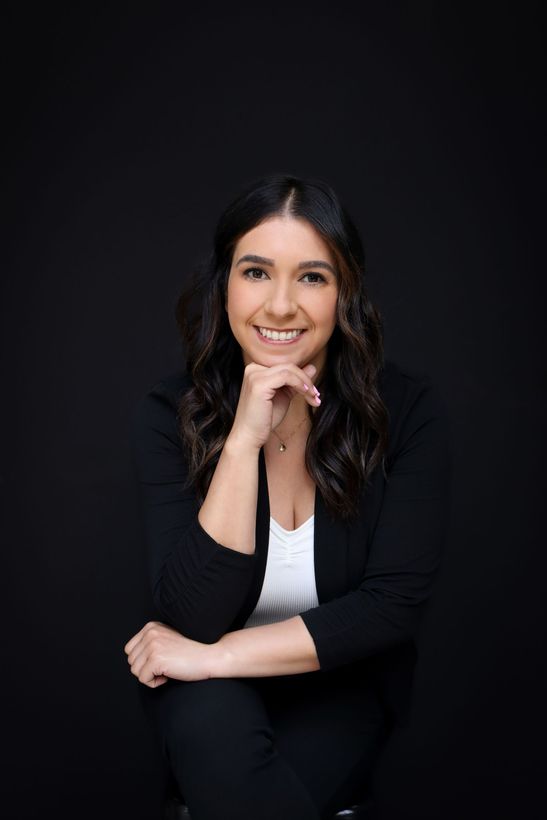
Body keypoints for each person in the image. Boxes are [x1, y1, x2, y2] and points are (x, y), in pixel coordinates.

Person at [124, 173, 453, 820]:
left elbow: (389, 609)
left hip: (340, 681)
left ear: (345, 293)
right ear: (224, 286)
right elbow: (191, 612)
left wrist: (212, 658)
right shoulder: (167, 415)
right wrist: (244, 440)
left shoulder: (407, 413)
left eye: (310, 277)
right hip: (203, 688)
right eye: (255, 272)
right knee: (210, 735)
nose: (279, 306)